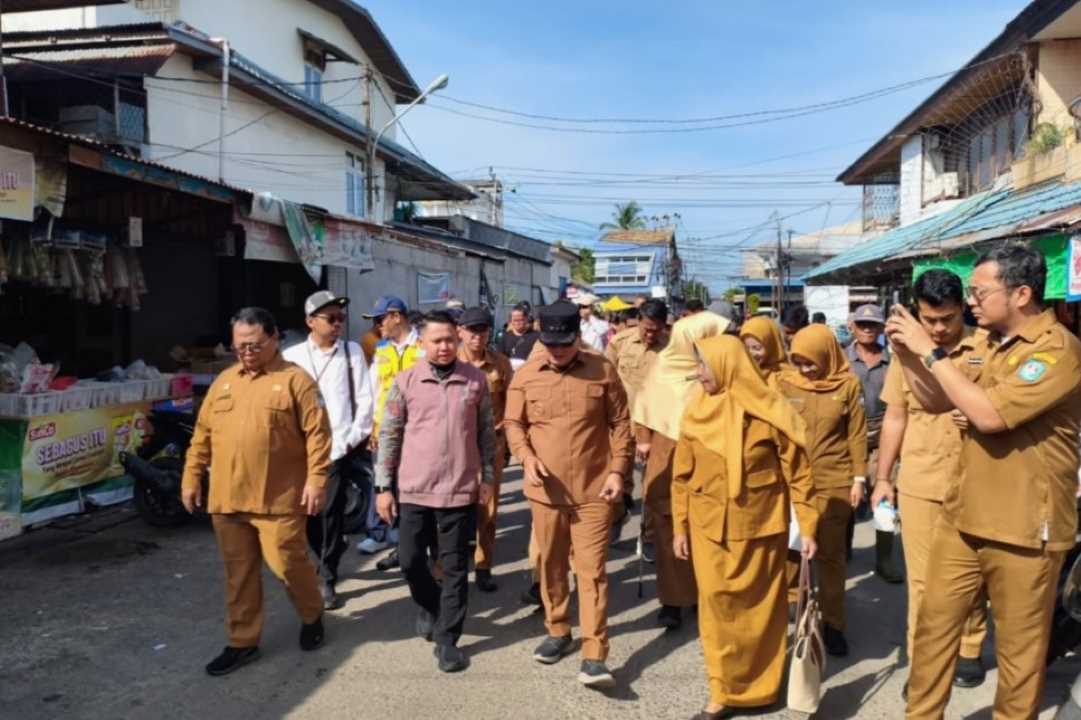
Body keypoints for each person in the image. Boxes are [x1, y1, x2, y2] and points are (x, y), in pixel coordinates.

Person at [885, 244, 1081, 719]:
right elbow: (936, 401)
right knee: (932, 631)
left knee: (1019, 656)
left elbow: (989, 415)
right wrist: (909, 355)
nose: (971, 301)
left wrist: (929, 352)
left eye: (979, 292)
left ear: (1021, 294)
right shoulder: (990, 345)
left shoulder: (1057, 350)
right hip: (964, 516)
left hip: (1024, 528)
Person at [181, 307, 332, 676]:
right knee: (239, 574)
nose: (246, 353)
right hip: (227, 497)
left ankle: (312, 614)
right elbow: (202, 435)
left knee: (288, 565)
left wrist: (316, 480)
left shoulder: (296, 381)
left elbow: (318, 435)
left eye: (254, 345)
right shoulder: (224, 382)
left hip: (278, 498)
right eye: (239, 347)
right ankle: (242, 641)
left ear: (274, 338)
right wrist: (191, 477)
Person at [673, 335, 818, 719]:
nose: (698, 373)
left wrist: (808, 527)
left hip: (760, 528)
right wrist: (679, 527)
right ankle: (722, 689)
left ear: (727, 366)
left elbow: (799, 475)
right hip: (709, 529)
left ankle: (761, 688)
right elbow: (681, 477)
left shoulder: (770, 411)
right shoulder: (696, 411)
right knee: (717, 609)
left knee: (760, 612)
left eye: (704, 365)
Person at [504, 300, 634, 689]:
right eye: (550, 343)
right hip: (546, 492)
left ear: (577, 337)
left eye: (564, 343)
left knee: (592, 572)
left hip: (595, 490)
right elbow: (513, 423)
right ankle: (558, 629)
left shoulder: (602, 370)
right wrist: (525, 457)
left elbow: (621, 423)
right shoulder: (527, 375)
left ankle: (595, 655)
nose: (557, 351)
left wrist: (618, 471)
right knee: (551, 565)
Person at [870, 270, 989, 692]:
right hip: (920, 482)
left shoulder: (986, 347)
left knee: (972, 575)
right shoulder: (906, 353)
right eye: (929, 320)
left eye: (947, 319)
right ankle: (924, 666)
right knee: (922, 582)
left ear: (961, 310)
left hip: (977, 481)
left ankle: (969, 646)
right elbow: (895, 417)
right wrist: (883, 477)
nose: (938, 329)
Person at [374, 310, 497, 673]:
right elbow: (390, 435)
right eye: (436, 340)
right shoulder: (406, 381)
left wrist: (487, 477)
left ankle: (447, 641)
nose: (444, 347)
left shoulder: (475, 380)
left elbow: (486, 433)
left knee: (455, 567)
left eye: (449, 340)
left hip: (459, 490)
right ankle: (432, 605)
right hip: (414, 489)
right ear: (423, 343)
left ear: (457, 339)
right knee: (410, 561)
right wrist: (383, 487)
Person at [632, 311, 729, 630]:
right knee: (667, 529)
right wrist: (644, 440)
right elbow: (643, 410)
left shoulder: (724, 370)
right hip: (668, 456)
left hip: (711, 459)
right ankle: (672, 601)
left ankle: (706, 597)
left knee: (708, 531)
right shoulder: (664, 367)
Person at [282, 291, 375, 609]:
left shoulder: (351, 352)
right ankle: (330, 550)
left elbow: (365, 398)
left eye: (340, 318)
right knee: (307, 514)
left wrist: (350, 438)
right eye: (330, 318)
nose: (338, 324)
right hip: (299, 451)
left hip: (336, 448)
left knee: (329, 514)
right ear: (310, 321)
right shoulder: (292, 357)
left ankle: (327, 576)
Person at [779, 324, 867, 657]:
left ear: (828, 356)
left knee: (831, 556)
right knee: (792, 548)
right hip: (792, 480)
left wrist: (859, 479)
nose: (805, 370)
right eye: (799, 362)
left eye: (811, 363)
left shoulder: (848, 385)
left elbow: (856, 435)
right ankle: (794, 600)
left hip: (834, 481)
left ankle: (833, 624)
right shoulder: (784, 383)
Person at [457, 306, 513, 593]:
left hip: (491, 448)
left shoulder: (500, 363)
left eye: (483, 330)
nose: (477, 336)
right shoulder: (450, 361)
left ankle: (483, 565)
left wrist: (509, 438)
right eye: (472, 330)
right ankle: (450, 566)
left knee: (487, 510)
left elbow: (513, 404)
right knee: (453, 508)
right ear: (460, 331)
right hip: (456, 449)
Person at [361, 295, 421, 562]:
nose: (377, 325)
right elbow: (373, 390)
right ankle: (379, 533)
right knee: (382, 481)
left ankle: (407, 539)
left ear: (397, 317)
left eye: (380, 319)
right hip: (386, 430)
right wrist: (372, 428)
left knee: (410, 486)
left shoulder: (423, 346)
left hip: (416, 431)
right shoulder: (382, 349)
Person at [606, 299, 670, 547]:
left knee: (653, 485)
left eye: (656, 330)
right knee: (616, 477)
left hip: (657, 426)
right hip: (621, 424)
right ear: (639, 321)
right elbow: (605, 379)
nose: (650, 335)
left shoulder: (672, 347)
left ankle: (649, 538)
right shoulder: (620, 342)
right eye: (646, 329)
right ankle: (618, 514)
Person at [847, 304, 901, 582]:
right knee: (846, 499)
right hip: (847, 439)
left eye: (873, 324)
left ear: (882, 328)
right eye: (862, 324)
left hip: (882, 439)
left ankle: (884, 559)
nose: (867, 329)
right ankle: (842, 549)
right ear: (852, 326)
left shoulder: (893, 361)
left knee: (884, 500)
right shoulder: (840, 359)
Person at [739, 316, 792, 389]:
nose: (751, 353)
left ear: (770, 346)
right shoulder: (740, 373)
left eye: (757, 348)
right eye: (746, 348)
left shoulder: (786, 377)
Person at [499, 302, 541, 369]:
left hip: (528, 370)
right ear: (511, 321)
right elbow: (499, 357)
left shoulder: (536, 336)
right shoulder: (505, 336)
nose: (517, 323)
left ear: (526, 319)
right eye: (515, 320)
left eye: (520, 320)